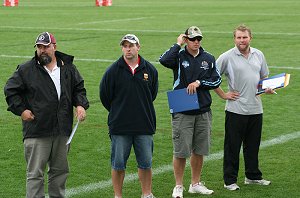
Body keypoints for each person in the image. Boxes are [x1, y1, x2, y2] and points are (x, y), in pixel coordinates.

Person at [4, 32, 89, 198]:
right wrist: (21, 111)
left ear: (54, 47)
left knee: (60, 172)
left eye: (46, 46)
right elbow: (10, 90)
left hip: (62, 129)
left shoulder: (68, 67)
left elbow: (78, 88)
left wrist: (80, 105)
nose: (42, 50)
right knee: (35, 174)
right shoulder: (26, 69)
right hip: (37, 129)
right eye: (39, 47)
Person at [159, 26, 221, 198]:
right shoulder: (178, 56)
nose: (196, 42)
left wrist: (199, 82)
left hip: (203, 109)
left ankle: (195, 183)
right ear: (186, 39)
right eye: (192, 39)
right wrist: (177, 44)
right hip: (182, 108)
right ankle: (178, 186)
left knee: (199, 150)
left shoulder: (208, 58)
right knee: (181, 151)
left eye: (199, 39)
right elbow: (163, 60)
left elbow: (216, 80)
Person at [214, 24, 273, 191]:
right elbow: (211, 77)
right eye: (239, 37)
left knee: (253, 146)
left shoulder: (258, 54)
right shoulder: (226, 57)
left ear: (250, 38)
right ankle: (230, 180)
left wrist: (266, 88)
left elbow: (264, 77)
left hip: (256, 109)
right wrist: (223, 94)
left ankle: (252, 176)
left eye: (244, 37)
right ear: (234, 39)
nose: (242, 40)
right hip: (236, 109)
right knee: (232, 147)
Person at [99, 34, 158, 198]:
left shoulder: (150, 70)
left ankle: (146, 194)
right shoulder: (112, 71)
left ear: (138, 47)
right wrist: (119, 111)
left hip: (144, 125)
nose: (128, 49)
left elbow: (151, 94)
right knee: (118, 165)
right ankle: (118, 196)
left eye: (131, 46)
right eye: (125, 46)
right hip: (120, 126)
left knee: (146, 163)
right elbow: (105, 96)